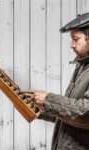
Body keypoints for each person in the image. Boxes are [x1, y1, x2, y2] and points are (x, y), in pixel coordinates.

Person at [21, 12, 89, 150]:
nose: (72, 45)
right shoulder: (82, 66)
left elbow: (86, 114)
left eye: (76, 39)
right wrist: (42, 110)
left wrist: (48, 100)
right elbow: (73, 116)